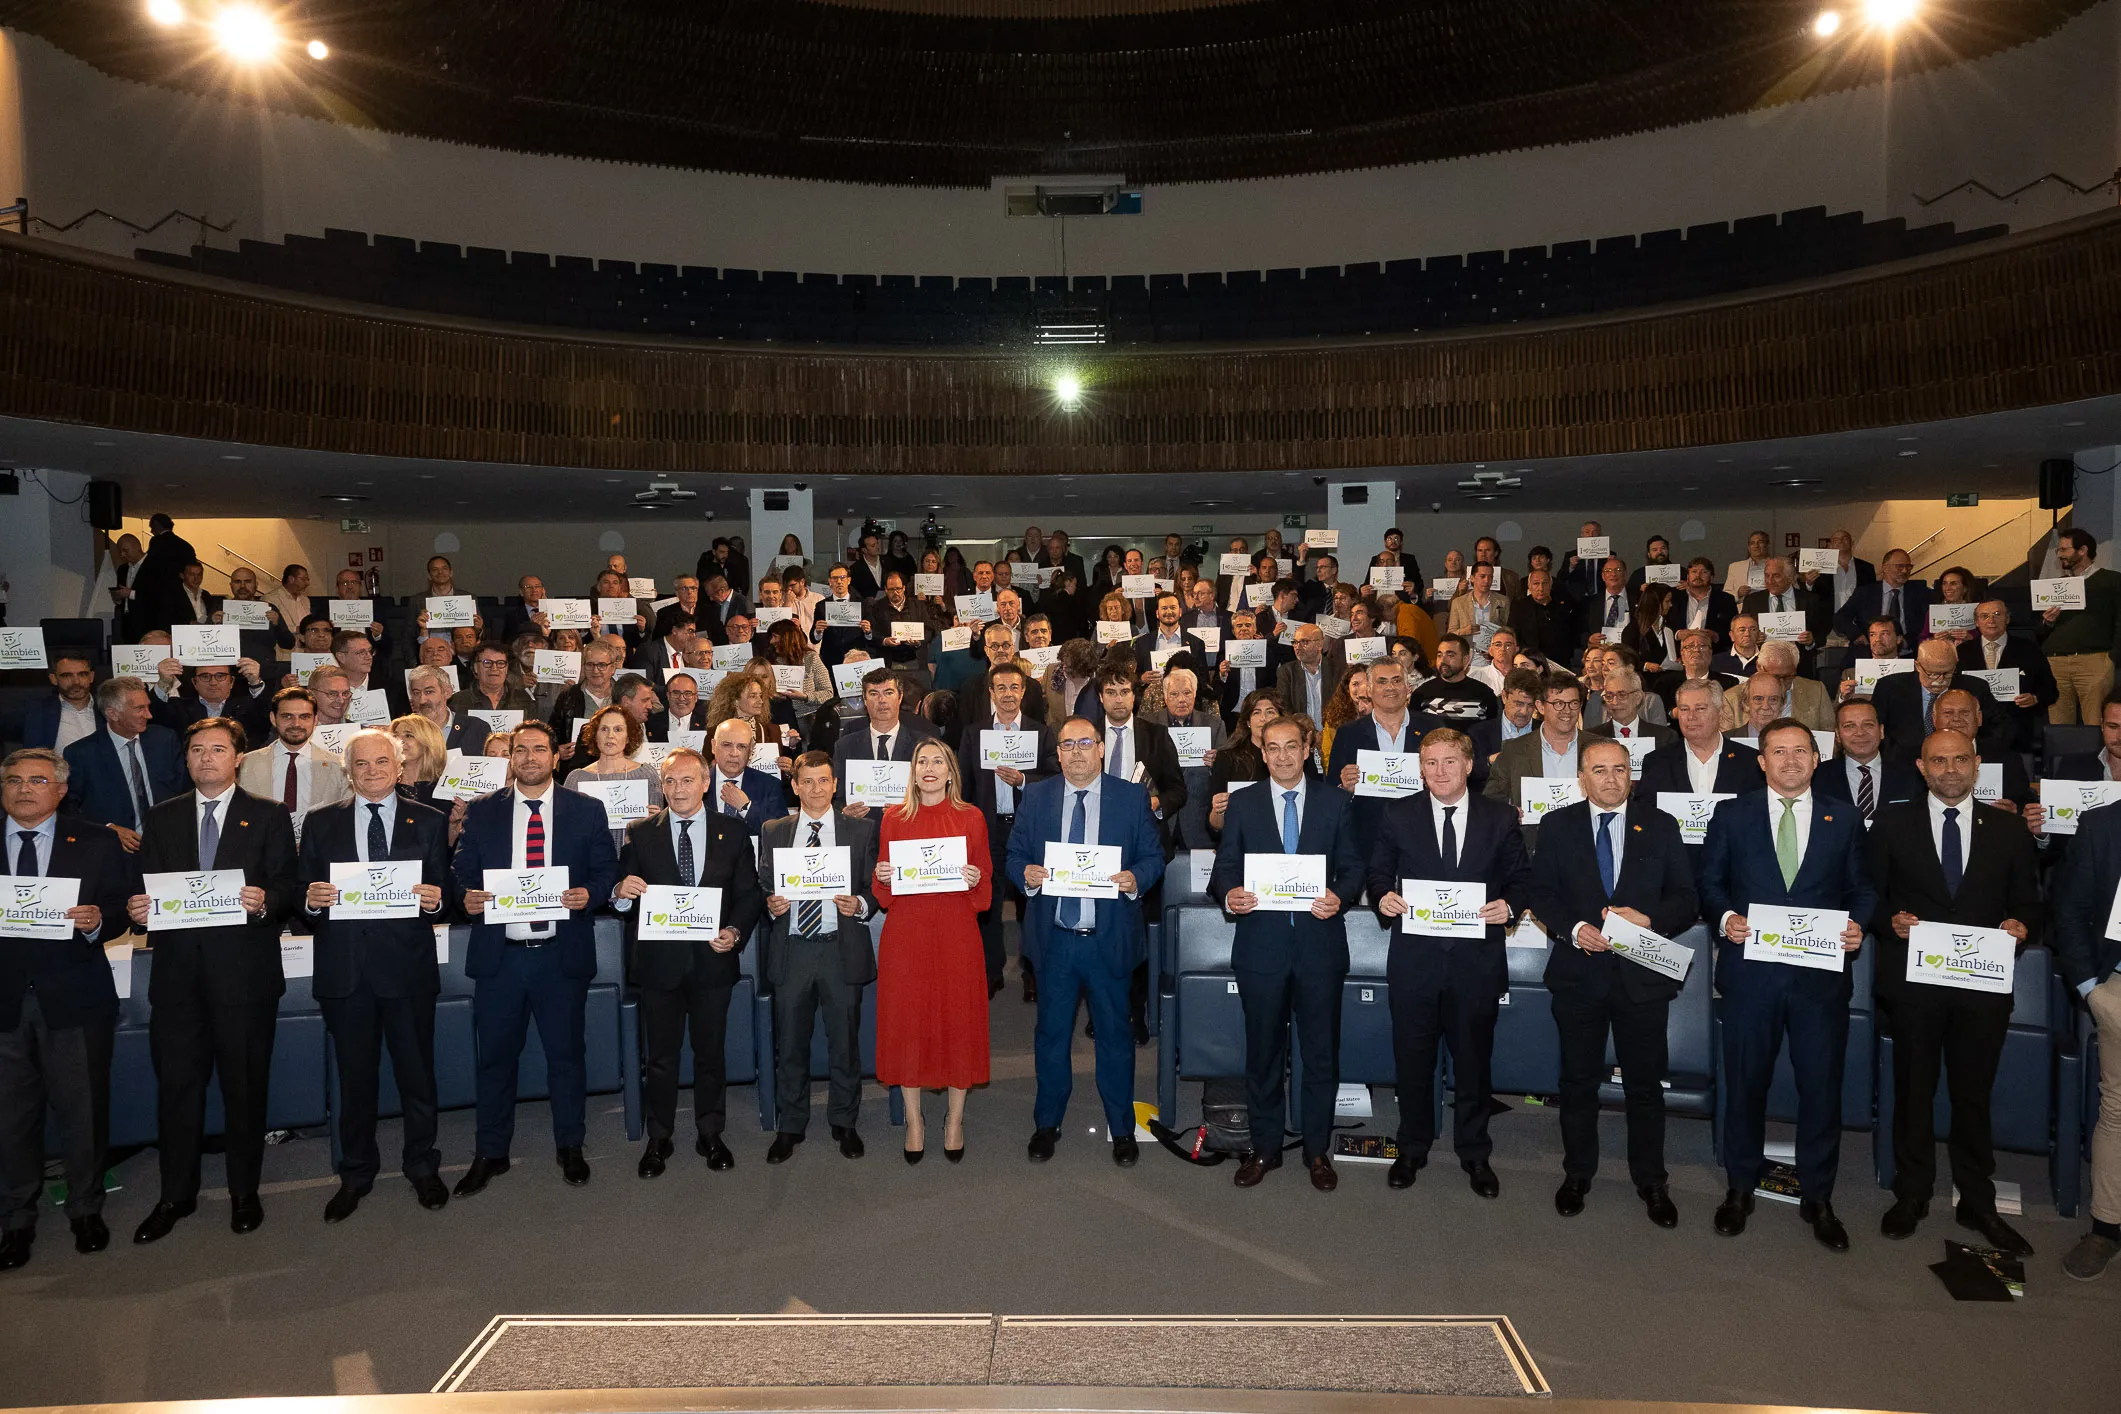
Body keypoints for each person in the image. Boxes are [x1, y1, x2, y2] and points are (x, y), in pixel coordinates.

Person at [1697, 718, 1877, 1250]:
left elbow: (1863, 888)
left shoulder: (1844, 820)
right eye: (1779, 751)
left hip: (1819, 983)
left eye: (1802, 751)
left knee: (1820, 1089)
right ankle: (1738, 1188)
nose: (1791, 760)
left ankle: (1818, 1197)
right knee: (1745, 1084)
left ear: (1818, 759)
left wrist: (1858, 924)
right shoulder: (1732, 815)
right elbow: (1709, 882)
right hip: (1750, 977)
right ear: (1762, 760)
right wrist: (1725, 917)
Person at [126, 718, 300, 1243]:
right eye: (196, 749)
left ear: (239, 758)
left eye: (218, 749)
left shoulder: (268, 815)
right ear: (186, 759)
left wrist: (266, 900)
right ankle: (174, 1195)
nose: (206, 758)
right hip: (178, 983)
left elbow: (288, 884)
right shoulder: (161, 818)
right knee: (177, 1091)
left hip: (244, 981)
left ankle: (245, 1192)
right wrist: (139, 910)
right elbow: (148, 893)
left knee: (244, 1091)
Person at [1867, 728, 2039, 1255]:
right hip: (1914, 985)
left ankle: (1977, 1200)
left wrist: (2020, 925)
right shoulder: (1891, 823)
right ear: (1921, 767)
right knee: (1913, 1091)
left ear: (1977, 764)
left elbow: (2031, 905)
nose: (1950, 770)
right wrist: (1887, 920)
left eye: (1960, 760)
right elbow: (1866, 896)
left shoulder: (2009, 830)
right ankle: (1912, 1192)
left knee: (1972, 1095)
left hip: (1981, 988)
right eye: (1938, 761)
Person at [1521, 738, 1698, 1225]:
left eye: (1620, 769)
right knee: (1577, 1082)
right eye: (1599, 770)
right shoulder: (1557, 825)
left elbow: (1687, 898)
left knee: (1644, 1085)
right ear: (1582, 777)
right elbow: (1541, 893)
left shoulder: (1660, 826)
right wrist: (1575, 930)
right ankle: (1578, 1172)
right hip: (1579, 976)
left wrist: (1648, 919)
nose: (1611, 779)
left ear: (1631, 774)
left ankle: (1652, 1180)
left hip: (1642, 977)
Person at [451, 720, 620, 1196]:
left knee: (566, 1056)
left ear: (555, 757)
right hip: (500, 958)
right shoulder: (483, 812)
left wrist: (591, 892)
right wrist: (464, 895)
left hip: (559, 957)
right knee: (496, 1060)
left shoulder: (586, 810)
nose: (529, 757)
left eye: (539, 750)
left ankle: (570, 1145)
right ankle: (491, 1152)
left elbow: (607, 869)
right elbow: (461, 870)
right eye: (520, 750)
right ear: (510, 758)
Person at [295, 729, 455, 1222]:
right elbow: (301, 892)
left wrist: (437, 899)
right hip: (346, 972)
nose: (371, 772)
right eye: (361, 764)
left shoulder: (429, 821)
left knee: (417, 1076)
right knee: (353, 1078)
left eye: (381, 762)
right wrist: (310, 899)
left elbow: (443, 888)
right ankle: (356, 1172)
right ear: (348, 771)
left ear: (400, 767)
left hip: (406, 969)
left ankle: (422, 1165)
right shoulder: (320, 824)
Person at [1368, 727, 1531, 1194]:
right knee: (1413, 1061)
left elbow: (1521, 879)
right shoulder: (1398, 814)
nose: (1440, 771)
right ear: (1421, 769)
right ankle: (1412, 1147)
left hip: (1475, 964)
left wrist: (1511, 907)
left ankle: (1475, 1154)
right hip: (1415, 963)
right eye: (1431, 763)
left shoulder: (1499, 818)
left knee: (1475, 1065)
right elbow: (1378, 871)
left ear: (1469, 765)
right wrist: (1383, 897)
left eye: (1449, 762)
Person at [1209, 717, 1365, 1191]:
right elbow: (1224, 869)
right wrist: (1230, 893)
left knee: (1320, 1056)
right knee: (1263, 1056)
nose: (1281, 756)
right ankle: (1265, 1148)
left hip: (1320, 949)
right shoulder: (1243, 803)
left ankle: (1318, 1151)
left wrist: (1341, 894)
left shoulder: (1336, 802)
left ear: (1305, 750)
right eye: (1272, 748)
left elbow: (1355, 866)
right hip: (1261, 949)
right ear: (1261, 752)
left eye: (1291, 747)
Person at [1007, 716, 1166, 1167]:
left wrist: (1136, 878)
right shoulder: (1036, 796)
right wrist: (1026, 875)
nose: (1076, 751)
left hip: (1108, 938)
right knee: (1051, 1036)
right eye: (1067, 744)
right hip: (1055, 941)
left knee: (1115, 1037)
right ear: (1057, 753)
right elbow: (1014, 854)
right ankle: (1047, 1122)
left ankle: (1120, 1129)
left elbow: (1154, 856)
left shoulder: (1130, 796)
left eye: (1085, 743)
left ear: (1101, 748)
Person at [0, 749, 133, 1269]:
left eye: (37, 780)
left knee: (84, 1111)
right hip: (5, 1001)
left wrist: (100, 919)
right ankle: (16, 1218)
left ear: (59, 790)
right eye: (14, 780)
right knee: (10, 1117)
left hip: (75, 997)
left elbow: (128, 904)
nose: (24, 789)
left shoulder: (97, 841)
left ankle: (85, 1207)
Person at [611, 747, 766, 1178]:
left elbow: (749, 894)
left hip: (712, 964)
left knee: (710, 1054)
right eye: (669, 781)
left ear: (704, 783)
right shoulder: (640, 833)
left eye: (686, 780)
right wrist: (620, 891)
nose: (677, 789)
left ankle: (710, 1133)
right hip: (659, 966)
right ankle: (658, 1138)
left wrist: (735, 932)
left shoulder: (732, 832)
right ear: (661, 786)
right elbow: (620, 895)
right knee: (659, 1058)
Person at [873, 739, 993, 1162]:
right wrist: (882, 875)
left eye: (937, 761)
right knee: (908, 1022)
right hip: (907, 935)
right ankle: (915, 1119)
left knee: (959, 1020)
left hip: (957, 931)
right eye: (921, 761)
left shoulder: (971, 817)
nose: (928, 767)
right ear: (913, 770)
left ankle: (954, 1119)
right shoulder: (893, 818)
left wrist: (975, 876)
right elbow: (883, 893)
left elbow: (985, 889)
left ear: (950, 771)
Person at [758, 752, 878, 1162]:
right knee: (789, 1044)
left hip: (838, 948)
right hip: (791, 950)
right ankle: (790, 1125)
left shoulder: (860, 831)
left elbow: (875, 884)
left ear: (835, 784)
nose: (814, 789)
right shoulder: (774, 829)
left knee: (844, 1043)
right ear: (794, 786)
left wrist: (860, 904)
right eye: (806, 781)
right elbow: (761, 883)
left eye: (822, 781)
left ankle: (844, 1122)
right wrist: (769, 902)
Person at [2051, 774, 2121, 1280]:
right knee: (2116, 1108)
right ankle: (2107, 1227)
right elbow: (2069, 911)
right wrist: (2090, 989)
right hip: (2117, 987)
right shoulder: (2100, 825)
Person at [963, 662, 1056, 998]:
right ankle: (991, 972)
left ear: (1024, 691)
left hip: (1027, 830)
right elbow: (963, 785)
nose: (1007, 694)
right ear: (991, 693)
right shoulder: (974, 734)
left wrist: (1024, 781)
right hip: (987, 829)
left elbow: (1054, 778)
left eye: (1014, 687)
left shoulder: (1040, 732)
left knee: (1029, 904)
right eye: (1000, 688)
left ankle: (1032, 974)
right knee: (988, 903)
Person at [63, 676, 186, 847]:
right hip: (112, 848)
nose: (149, 715)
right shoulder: (80, 753)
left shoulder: (165, 740)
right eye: (139, 709)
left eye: (147, 707)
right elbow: (69, 809)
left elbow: (184, 790)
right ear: (112, 713)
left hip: (168, 843)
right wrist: (108, 828)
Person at [235, 686, 350, 844]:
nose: (296, 724)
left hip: (317, 855)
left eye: (304, 717)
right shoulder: (247, 764)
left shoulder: (338, 766)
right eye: (287, 716)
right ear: (273, 719)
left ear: (315, 720)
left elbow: (345, 818)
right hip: (261, 855)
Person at [1483, 673, 1583, 849]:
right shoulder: (1514, 751)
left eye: (1573, 703)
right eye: (1558, 703)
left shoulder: (1598, 747)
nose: (1567, 711)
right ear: (1541, 706)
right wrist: (1509, 812)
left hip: (1586, 849)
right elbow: (1490, 802)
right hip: (1531, 851)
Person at [1869, 638, 2002, 763]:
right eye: (1932, 673)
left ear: (1955, 664)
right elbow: (1873, 729)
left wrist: (1971, 752)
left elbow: (2001, 727)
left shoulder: (1976, 688)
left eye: (1947, 673)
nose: (1940, 680)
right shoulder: (1889, 687)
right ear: (1917, 666)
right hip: (1903, 764)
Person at [832, 669, 937, 813]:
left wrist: (913, 807)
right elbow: (836, 799)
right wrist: (844, 812)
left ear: (900, 697)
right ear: (865, 700)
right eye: (874, 694)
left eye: (888, 693)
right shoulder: (845, 746)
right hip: (863, 831)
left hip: (909, 829)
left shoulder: (924, 745)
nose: (882, 700)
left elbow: (935, 794)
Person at [1958, 598, 2057, 747]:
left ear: (2007, 619)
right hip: (1973, 732)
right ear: (1977, 622)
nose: (1991, 620)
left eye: (1997, 614)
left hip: (2018, 731)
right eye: (1985, 616)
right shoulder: (1962, 651)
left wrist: (2035, 698)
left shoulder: (2028, 649)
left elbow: (2050, 690)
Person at [1814, 698, 1922, 827]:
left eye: (1868, 724)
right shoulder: (1818, 777)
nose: (1860, 733)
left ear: (1881, 731)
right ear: (1837, 735)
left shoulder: (1911, 775)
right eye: (1849, 726)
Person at [703, 716, 784, 837]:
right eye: (727, 745)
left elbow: (780, 834)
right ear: (714, 746)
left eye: (742, 746)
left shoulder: (769, 785)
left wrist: (746, 808)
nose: (734, 753)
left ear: (751, 750)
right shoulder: (697, 783)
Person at [1833, 546, 1927, 647]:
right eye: (1899, 566)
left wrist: (1906, 642)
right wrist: (1857, 635)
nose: (1905, 571)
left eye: (1908, 567)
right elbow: (1840, 618)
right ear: (1885, 568)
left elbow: (1924, 625)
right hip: (1869, 651)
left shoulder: (1919, 592)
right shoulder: (1865, 592)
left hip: (1907, 652)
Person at [1409, 634, 1497, 725]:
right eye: (1439, 655)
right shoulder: (1421, 694)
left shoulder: (1484, 694)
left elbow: (1492, 732)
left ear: (1465, 660)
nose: (1443, 660)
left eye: (1450, 655)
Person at [22, 653, 101, 755]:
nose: (76, 682)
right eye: (67, 676)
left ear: (91, 677)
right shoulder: (38, 711)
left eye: (82, 674)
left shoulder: (107, 709)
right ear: (53, 679)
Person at [1274, 623, 1340, 726]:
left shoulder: (1338, 670)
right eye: (1295, 642)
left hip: (1332, 733)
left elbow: (1342, 706)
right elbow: (1284, 709)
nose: (1297, 647)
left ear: (1320, 644)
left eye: (1304, 642)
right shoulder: (1287, 672)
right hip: (1302, 735)